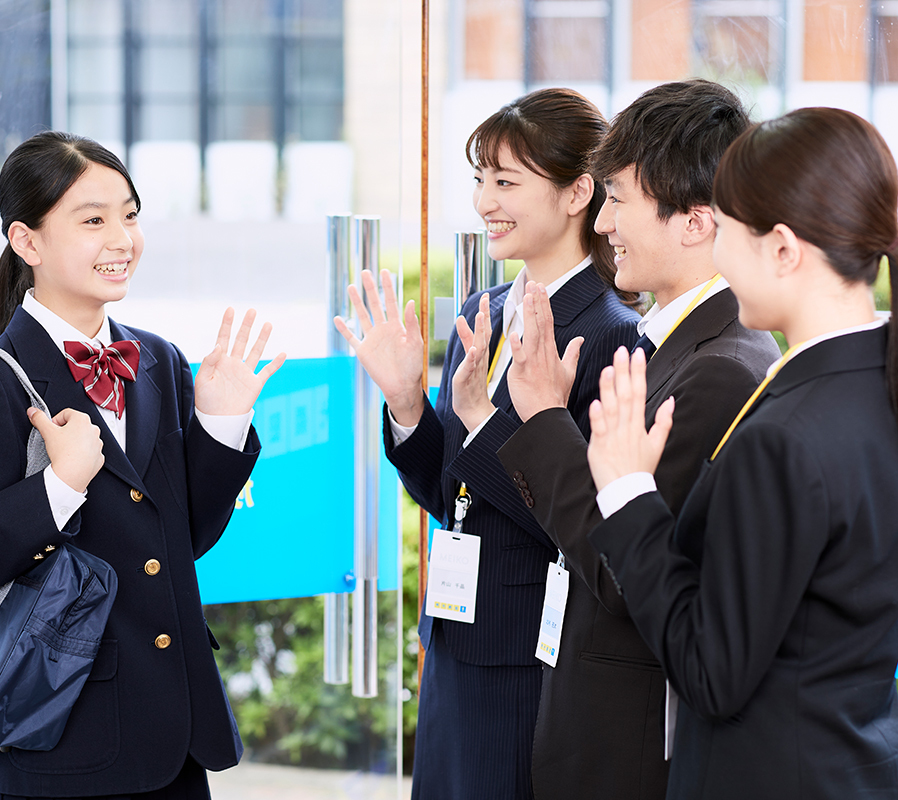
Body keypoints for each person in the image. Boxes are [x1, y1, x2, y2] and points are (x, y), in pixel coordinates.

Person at [0, 131, 284, 799]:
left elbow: (178, 543)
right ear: (27, 242)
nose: (123, 238)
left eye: (130, 215)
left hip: (173, 742)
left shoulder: (158, 360)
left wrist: (222, 427)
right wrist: (58, 488)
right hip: (53, 749)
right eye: (94, 220)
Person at [334, 88, 641, 799]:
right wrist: (408, 403)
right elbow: (450, 494)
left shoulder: (609, 331)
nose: (484, 201)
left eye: (506, 181)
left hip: (530, 654)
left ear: (577, 194)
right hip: (454, 638)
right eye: (480, 179)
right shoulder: (485, 308)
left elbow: (583, 526)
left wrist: (483, 423)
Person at [584, 106, 898, 799]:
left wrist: (627, 494)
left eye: (723, 230)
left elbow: (711, 673)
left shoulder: (786, 436)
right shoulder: (867, 384)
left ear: (783, 249)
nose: (716, 256)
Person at [494, 80, 780, 799]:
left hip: (630, 744)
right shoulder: (681, 347)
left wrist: (544, 415)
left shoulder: (718, 369)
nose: (603, 222)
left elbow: (627, 569)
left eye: (617, 198)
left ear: (693, 221)